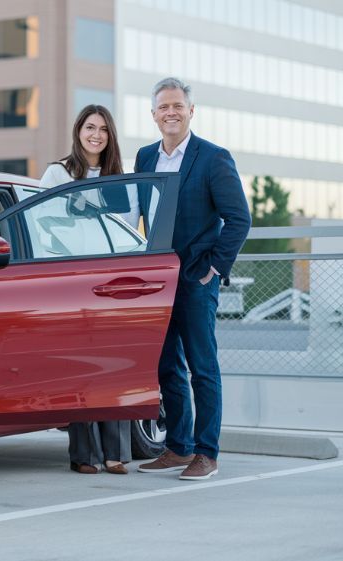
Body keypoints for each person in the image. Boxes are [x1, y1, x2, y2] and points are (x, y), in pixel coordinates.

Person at [134, 77, 250, 480]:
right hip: (158, 280)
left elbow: (239, 219)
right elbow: (140, 214)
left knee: (202, 366)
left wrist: (214, 269)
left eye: (177, 106)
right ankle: (178, 447)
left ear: (190, 111)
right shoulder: (145, 157)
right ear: (153, 114)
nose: (171, 112)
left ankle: (206, 452)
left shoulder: (214, 158)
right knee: (166, 366)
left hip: (197, 278)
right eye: (163, 106)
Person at [40, 104, 130, 475]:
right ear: (78, 131)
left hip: (112, 281)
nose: (96, 135)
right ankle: (85, 455)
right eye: (90, 127)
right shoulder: (57, 173)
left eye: (104, 129)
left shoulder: (117, 178)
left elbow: (127, 229)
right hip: (74, 280)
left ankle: (115, 453)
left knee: (116, 366)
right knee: (82, 366)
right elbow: (41, 225)